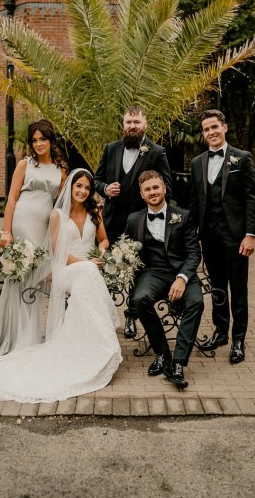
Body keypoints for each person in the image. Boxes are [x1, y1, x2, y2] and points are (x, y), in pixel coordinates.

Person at [0, 169, 122, 402]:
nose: (83, 191)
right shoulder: (57, 216)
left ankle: (87, 343)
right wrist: (87, 263)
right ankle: (99, 341)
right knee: (87, 271)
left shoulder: (95, 212)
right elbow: (57, 253)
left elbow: (104, 240)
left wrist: (101, 254)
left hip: (89, 269)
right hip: (65, 270)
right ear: (70, 188)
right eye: (79, 186)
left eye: (87, 187)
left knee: (88, 275)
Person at [0, 118, 68, 357]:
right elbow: (12, 199)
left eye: (43, 139)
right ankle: (15, 335)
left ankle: (25, 331)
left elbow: (62, 205)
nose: (38, 144)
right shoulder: (24, 165)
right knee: (19, 277)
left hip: (43, 228)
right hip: (22, 223)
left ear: (51, 140)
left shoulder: (62, 170)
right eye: (34, 140)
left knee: (33, 279)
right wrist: (6, 231)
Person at [94, 105, 172, 339]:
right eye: (128, 122)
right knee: (104, 269)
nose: (132, 126)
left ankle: (131, 316)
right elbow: (96, 179)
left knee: (137, 271)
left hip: (141, 225)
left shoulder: (156, 152)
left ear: (145, 124)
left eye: (136, 122)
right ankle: (103, 317)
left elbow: (168, 186)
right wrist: (105, 188)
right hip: (110, 223)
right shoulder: (111, 148)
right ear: (123, 124)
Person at [188, 109, 255, 364]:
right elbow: (195, 203)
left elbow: (251, 199)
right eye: (207, 129)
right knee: (218, 288)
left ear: (224, 127)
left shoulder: (242, 158)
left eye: (215, 127)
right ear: (203, 133)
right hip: (209, 237)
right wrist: (188, 235)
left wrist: (250, 235)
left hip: (236, 237)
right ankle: (221, 332)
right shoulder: (197, 163)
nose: (211, 132)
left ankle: (238, 339)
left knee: (238, 289)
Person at [124, 170, 203, 389]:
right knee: (140, 299)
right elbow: (125, 249)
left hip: (181, 272)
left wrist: (182, 278)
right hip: (153, 273)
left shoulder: (183, 216)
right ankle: (162, 353)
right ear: (141, 194)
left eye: (156, 187)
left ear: (164, 189)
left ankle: (177, 363)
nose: (152, 192)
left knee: (196, 302)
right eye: (147, 189)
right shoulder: (134, 219)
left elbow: (194, 253)